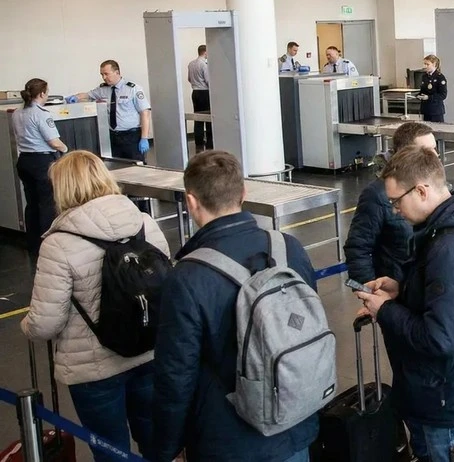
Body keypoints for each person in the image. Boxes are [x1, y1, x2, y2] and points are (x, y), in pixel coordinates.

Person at [153, 151, 318, 462]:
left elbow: (176, 378)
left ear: (191, 202)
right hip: (295, 422)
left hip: (228, 440)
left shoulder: (187, 277)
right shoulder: (288, 248)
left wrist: (167, 448)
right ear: (244, 193)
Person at [355, 147, 454, 461]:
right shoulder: (447, 228)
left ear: (421, 191)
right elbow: (444, 299)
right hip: (448, 389)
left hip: (450, 399)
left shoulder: (451, 248)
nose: (394, 210)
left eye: (396, 201)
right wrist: (402, 289)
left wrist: (385, 310)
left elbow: (440, 338)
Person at [21, 152, 167, 462]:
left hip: (94, 371)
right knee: (157, 442)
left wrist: (27, 325)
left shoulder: (58, 243)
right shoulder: (145, 224)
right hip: (150, 351)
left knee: (111, 450)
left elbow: (45, 323)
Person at [344, 122, 436, 284]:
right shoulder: (377, 195)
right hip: (396, 292)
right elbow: (358, 249)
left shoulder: (434, 187)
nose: (435, 156)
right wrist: (371, 291)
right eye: (427, 152)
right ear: (404, 154)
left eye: (435, 149)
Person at [14, 78, 68, 256]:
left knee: (32, 204)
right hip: (42, 162)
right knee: (47, 204)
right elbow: (53, 141)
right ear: (43, 93)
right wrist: (65, 149)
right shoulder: (42, 114)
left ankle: (33, 244)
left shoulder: (17, 112)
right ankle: (48, 246)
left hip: (24, 161)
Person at [67, 60, 152, 162]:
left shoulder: (133, 89)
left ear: (117, 72)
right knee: (116, 166)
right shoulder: (103, 89)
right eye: (102, 74)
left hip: (131, 137)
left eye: (106, 74)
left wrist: (144, 138)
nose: (104, 77)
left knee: (136, 167)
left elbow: (145, 113)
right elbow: (87, 95)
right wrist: (75, 97)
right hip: (112, 136)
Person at [187, 44, 211, 151]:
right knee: (208, 117)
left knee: (198, 117)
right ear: (205, 52)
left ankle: (199, 141)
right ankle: (210, 140)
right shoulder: (204, 65)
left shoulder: (191, 64)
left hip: (195, 92)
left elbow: (189, 79)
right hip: (204, 93)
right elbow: (208, 80)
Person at [418, 54, 448, 122]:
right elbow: (423, 90)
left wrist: (429, 97)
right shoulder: (424, 76)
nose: (425, 66)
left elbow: (443, 95)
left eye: (427, 64)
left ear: (434, 64)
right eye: (424, 64)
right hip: (426, 110)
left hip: (436, 111)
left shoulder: (440, 77)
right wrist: (419, 95)